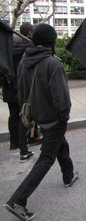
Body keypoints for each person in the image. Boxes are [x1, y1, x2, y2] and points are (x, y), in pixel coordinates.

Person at [5, 23, 79, 221]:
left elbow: (21, 93)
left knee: (58, 143)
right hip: (54, 118)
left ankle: (68, 175)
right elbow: (61, 99)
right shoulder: (52, 63)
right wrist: (63, 117)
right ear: (51, 43)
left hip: (37, 116)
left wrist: (33, 115)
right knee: (46, 158)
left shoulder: (24, 60)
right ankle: (17, 201)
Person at [2, 23, 34, 161]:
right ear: (28, 33)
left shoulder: (6, 50)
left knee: (13, 116)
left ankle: (14, 142)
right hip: (17, 89)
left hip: (9, 89)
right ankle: (23, 144)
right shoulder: (24, 49)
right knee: (22, 116)